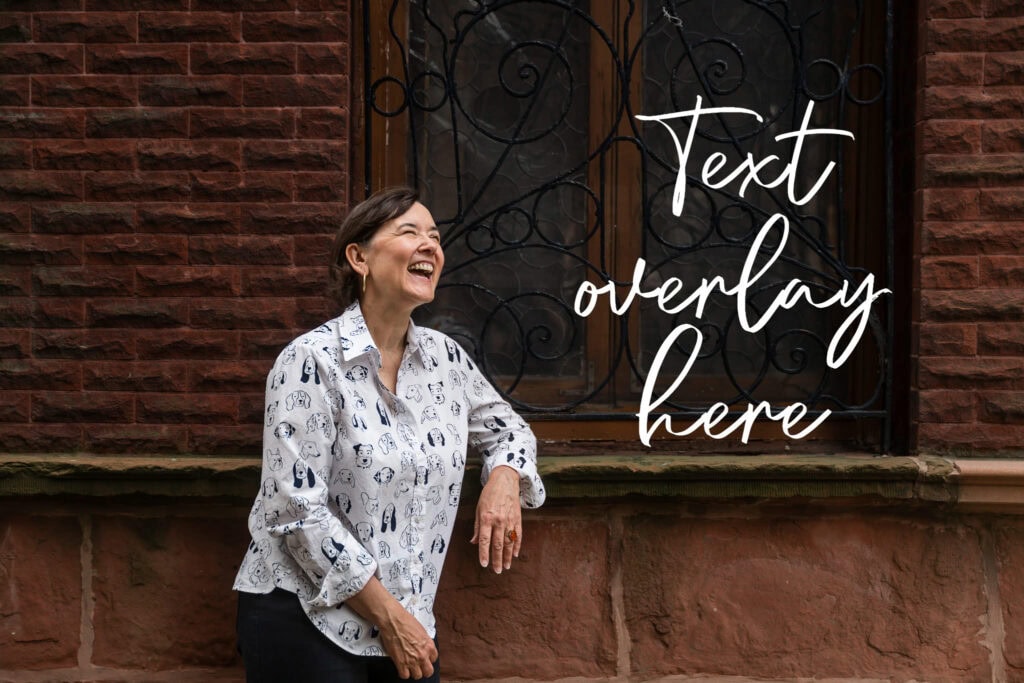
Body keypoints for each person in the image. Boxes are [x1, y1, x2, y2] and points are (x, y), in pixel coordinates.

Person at [234, 186, 546, 682]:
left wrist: (505, 478)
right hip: (307, 620)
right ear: (358, 257)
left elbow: (510, 431)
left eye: (435, 236)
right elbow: (296, 512)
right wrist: (389, 617)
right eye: (409, 232)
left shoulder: (445, 360)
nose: (430, 246)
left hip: (410, 624)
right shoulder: (310, 362)